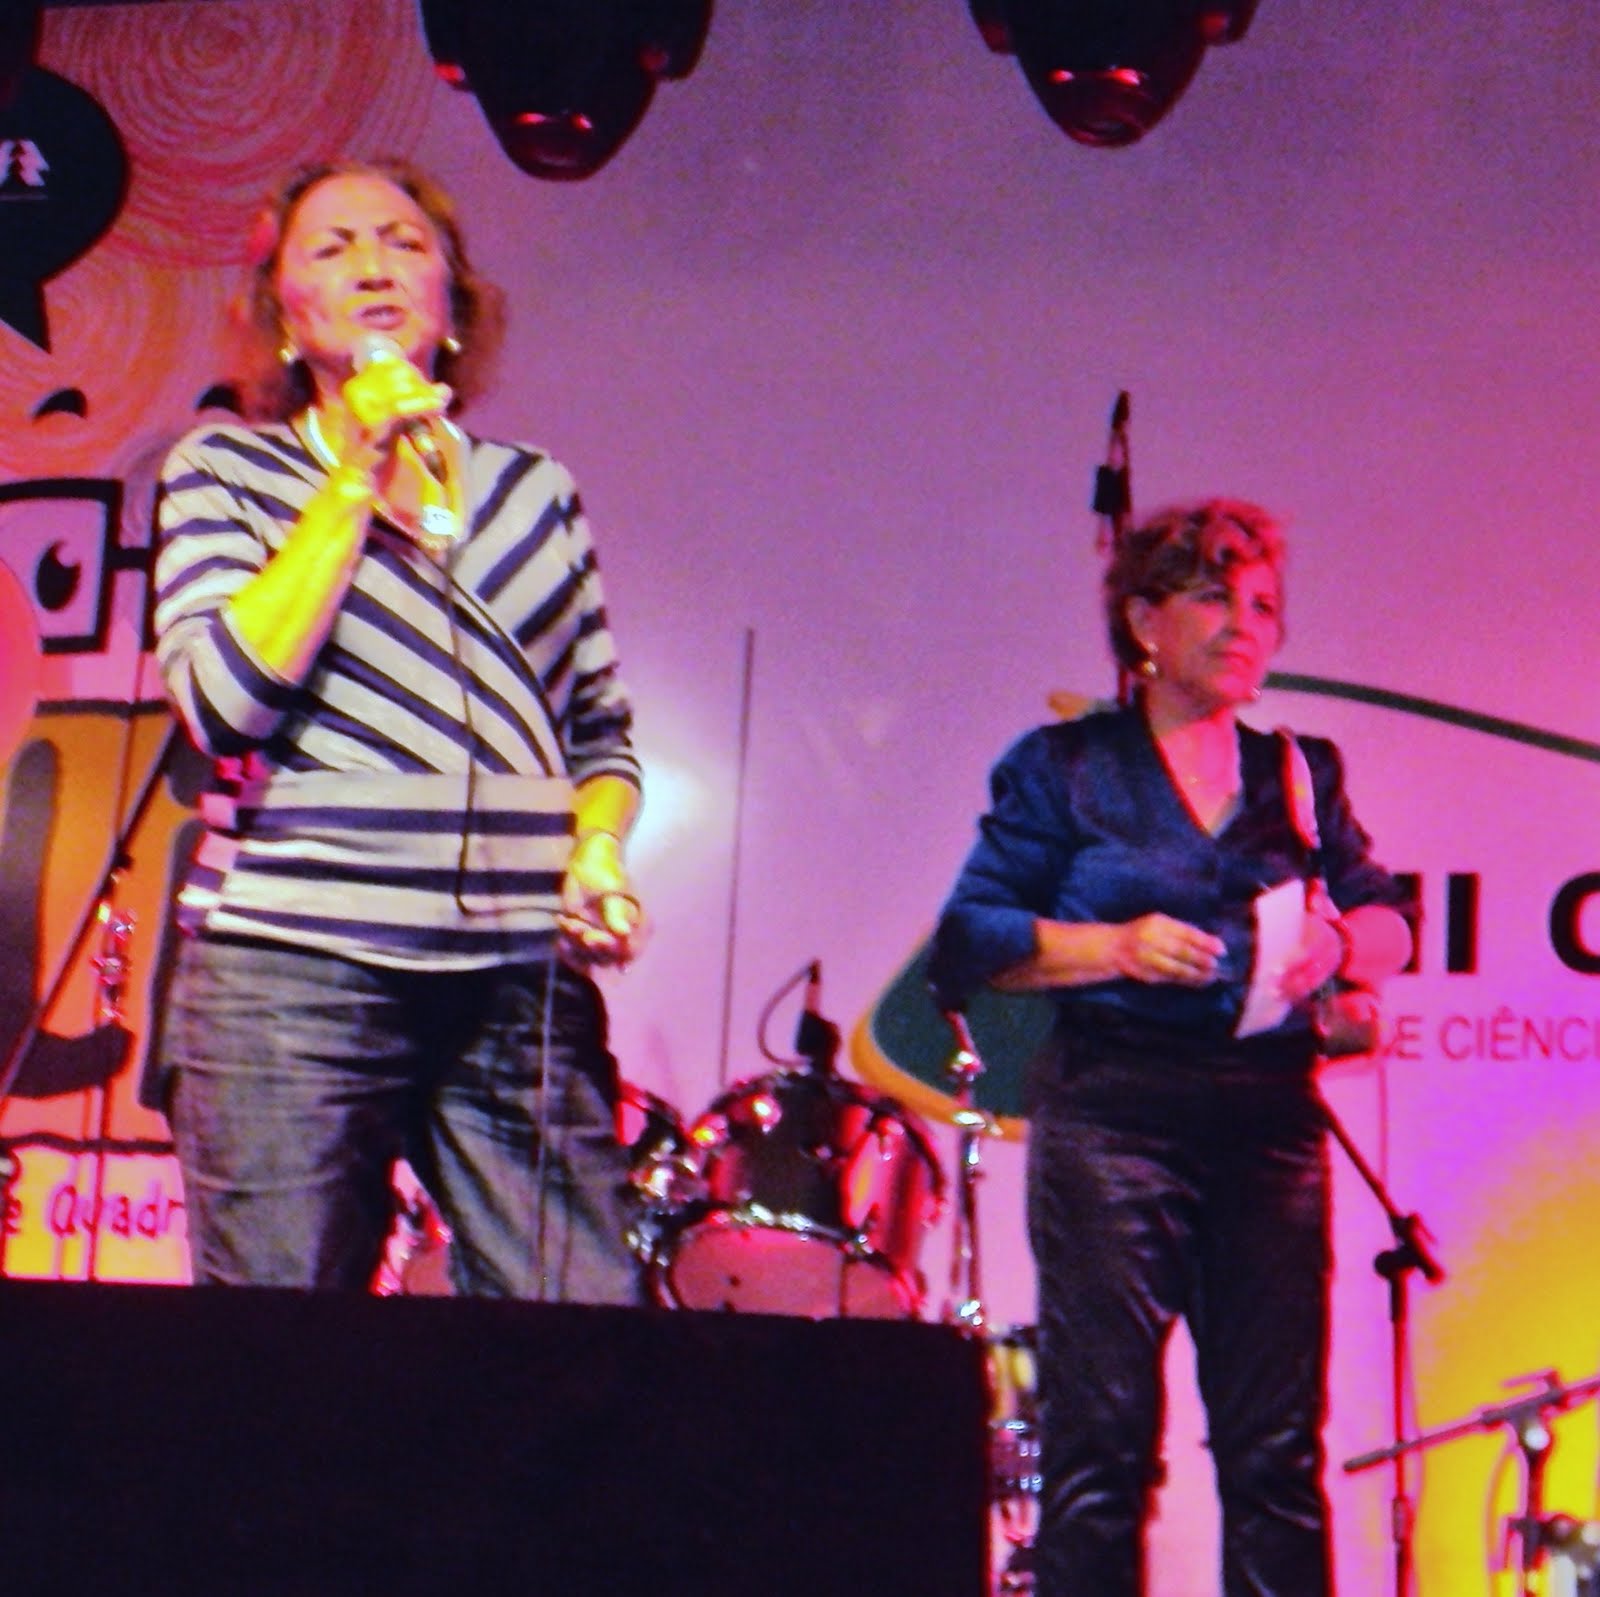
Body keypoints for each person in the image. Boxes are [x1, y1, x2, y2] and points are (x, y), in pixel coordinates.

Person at [151, 159, 647, 1303]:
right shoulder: (228, 470)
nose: (373, 265)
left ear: (451, 302)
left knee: (580, 1325)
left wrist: (595, 850)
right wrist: (353, 474)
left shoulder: (535, 491)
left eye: (404, 242)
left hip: (514, 972)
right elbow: (224, 701)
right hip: (291, 972)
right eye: (332, 249)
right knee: (280, 1350)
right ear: (285, 316)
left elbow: (600, 739)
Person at [930, 500, 1414, 1596]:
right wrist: (1113, 945)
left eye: (1264, 606)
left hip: (1267, 1126)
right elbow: (972, 936)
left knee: (1275, 1453)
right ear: (1144, 620)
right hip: (1114, 1119)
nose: (1244, 625)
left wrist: (1345, 949)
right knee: (1100, 1448)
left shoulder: (1300, 770)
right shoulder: (1066, 765)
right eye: (1212, 596)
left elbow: (1390, 917)